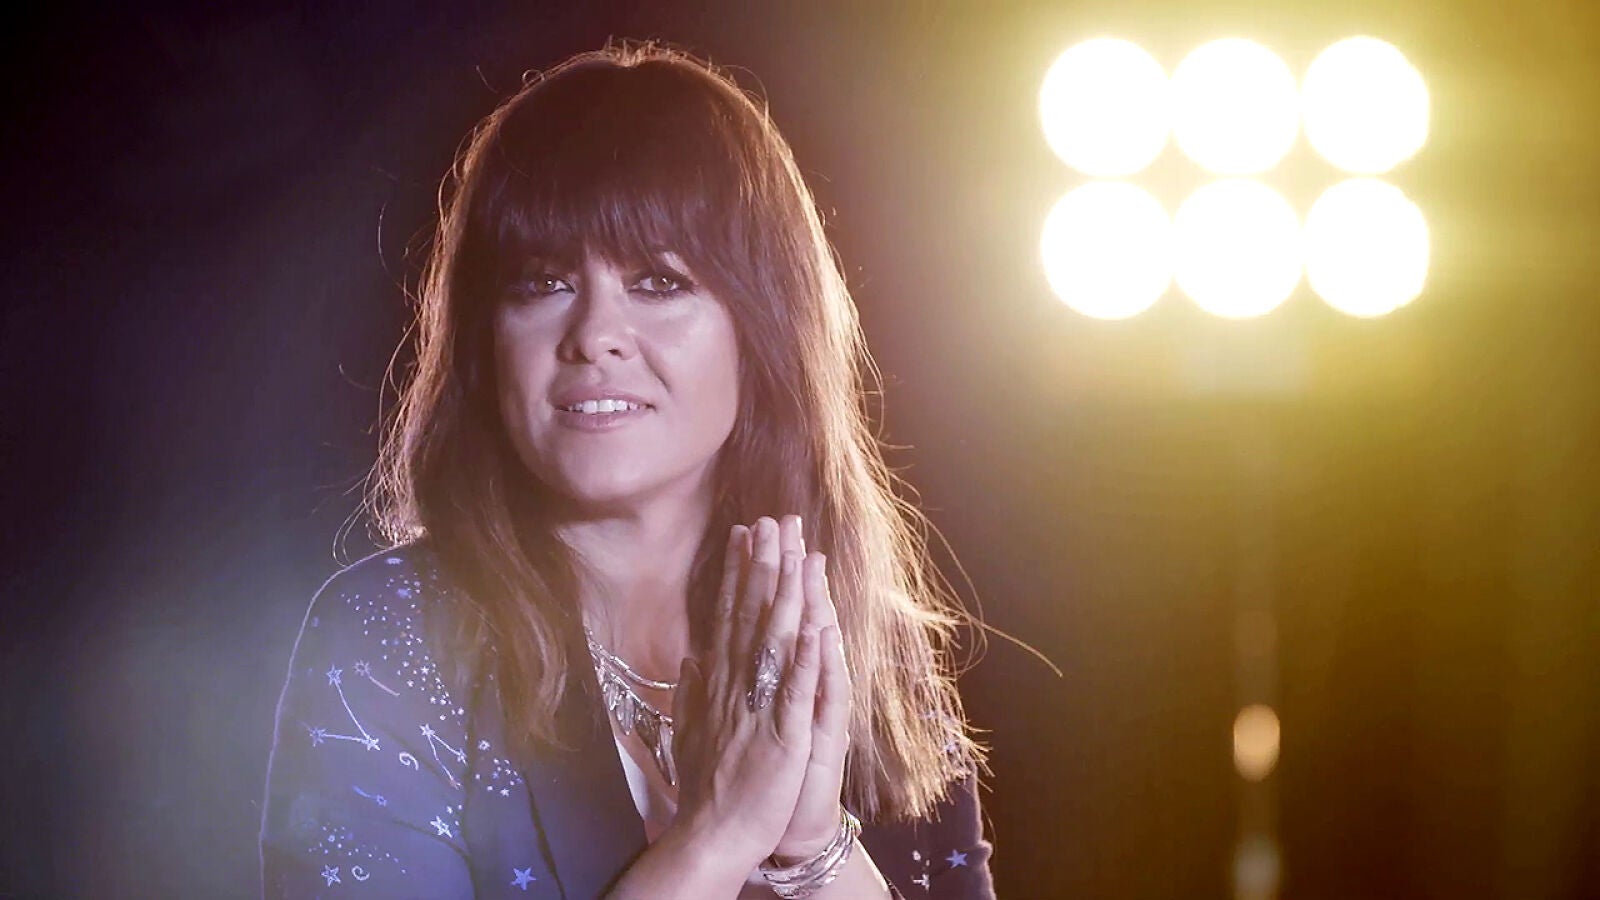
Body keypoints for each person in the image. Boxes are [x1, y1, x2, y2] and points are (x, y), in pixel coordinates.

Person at [260, 40, 994, 900]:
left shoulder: (866, 641)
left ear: (761, 328)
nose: (594, 336)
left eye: (657, 282)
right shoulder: (394, 633)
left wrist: (812, 851)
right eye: (542, 283)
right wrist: (716, 837)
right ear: (486, 338)